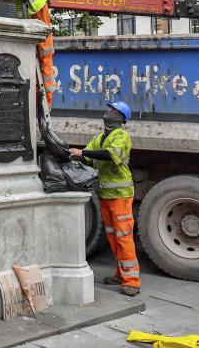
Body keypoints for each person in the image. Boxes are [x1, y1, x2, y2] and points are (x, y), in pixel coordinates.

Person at [68, 101, 140, 296]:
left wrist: (83, 152)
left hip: (121, 196)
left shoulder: (121, 136)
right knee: (114, 237)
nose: (108, 112)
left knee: (124, 237)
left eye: (113, 110)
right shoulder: (100, 137)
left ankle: (132, 281)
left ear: (120, 116)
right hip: (107, 196)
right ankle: (121, 273)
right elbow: (87, 158)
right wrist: (69, 154)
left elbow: (109, 155)